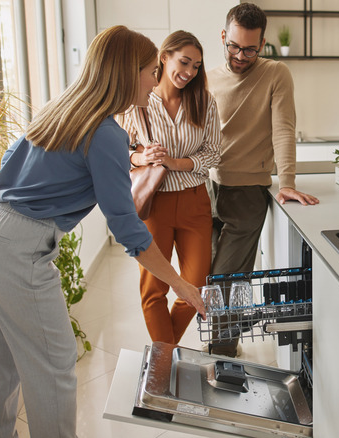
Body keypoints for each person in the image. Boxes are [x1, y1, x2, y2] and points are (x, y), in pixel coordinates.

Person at [0, 26, 205, 438]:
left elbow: (6, 168)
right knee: (55, 364)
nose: (153, 80)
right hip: (18, 248)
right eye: (149, 70)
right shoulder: (107, 135)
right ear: (129, 73)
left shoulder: (61, 109)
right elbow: (127, 227)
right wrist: (182, 285)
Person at [206, 2, 319, 356]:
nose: (241, 56)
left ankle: (222, 353)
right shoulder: (206, 77)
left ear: (263, 44)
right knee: (208, 274)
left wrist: (286, 180)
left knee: (227, 277)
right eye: (234, 46)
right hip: (206, 188)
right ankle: (224, 341)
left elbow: (283, 129)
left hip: (247, 192)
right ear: (223, 37)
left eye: (250, 49)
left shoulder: (275, 74)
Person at [117, 31, 221, 345]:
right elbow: (117, 150)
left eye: (196, 66)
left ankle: (162, 357)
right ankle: (166, 367)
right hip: (154, 204)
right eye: (184, 62)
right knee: (154, 289)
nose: (188, 72)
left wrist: (178, 163)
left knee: (197, 284)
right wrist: (139, 155)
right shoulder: (138, 101)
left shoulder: (204, 101)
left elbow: (214, 152)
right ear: (165, 57)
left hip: (195, 201)